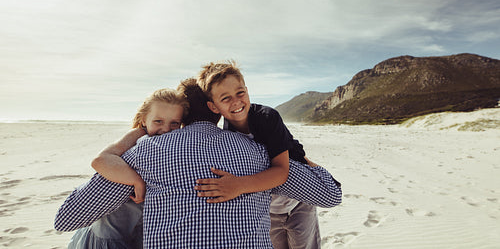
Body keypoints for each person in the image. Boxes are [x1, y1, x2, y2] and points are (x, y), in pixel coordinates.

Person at [55, 78, 342, 248]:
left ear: (182, 113)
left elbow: (66, 218)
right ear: (215, 109)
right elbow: (330, 194)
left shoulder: (146, 152)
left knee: (95, 227)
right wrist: (302, 159)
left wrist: (135, 176)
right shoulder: (258, 153)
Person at [196, 60, 322, 249]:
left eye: (240, 93)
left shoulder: (267, 117)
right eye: (225, 98)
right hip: (269, 211)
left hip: (299, 204)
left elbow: (281, 172)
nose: (236, 101)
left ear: (247, 90)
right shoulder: (225, 134)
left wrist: (237, 186)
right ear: (214, 107)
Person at [66, 88, 188, 249]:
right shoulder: (138, 135)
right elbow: (99, 161)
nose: (165, 129)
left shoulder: (177, 143)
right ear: (144, 120)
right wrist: (137, 182)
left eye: (174, 123)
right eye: (158, 121)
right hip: (110, 232)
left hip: (137, 230)